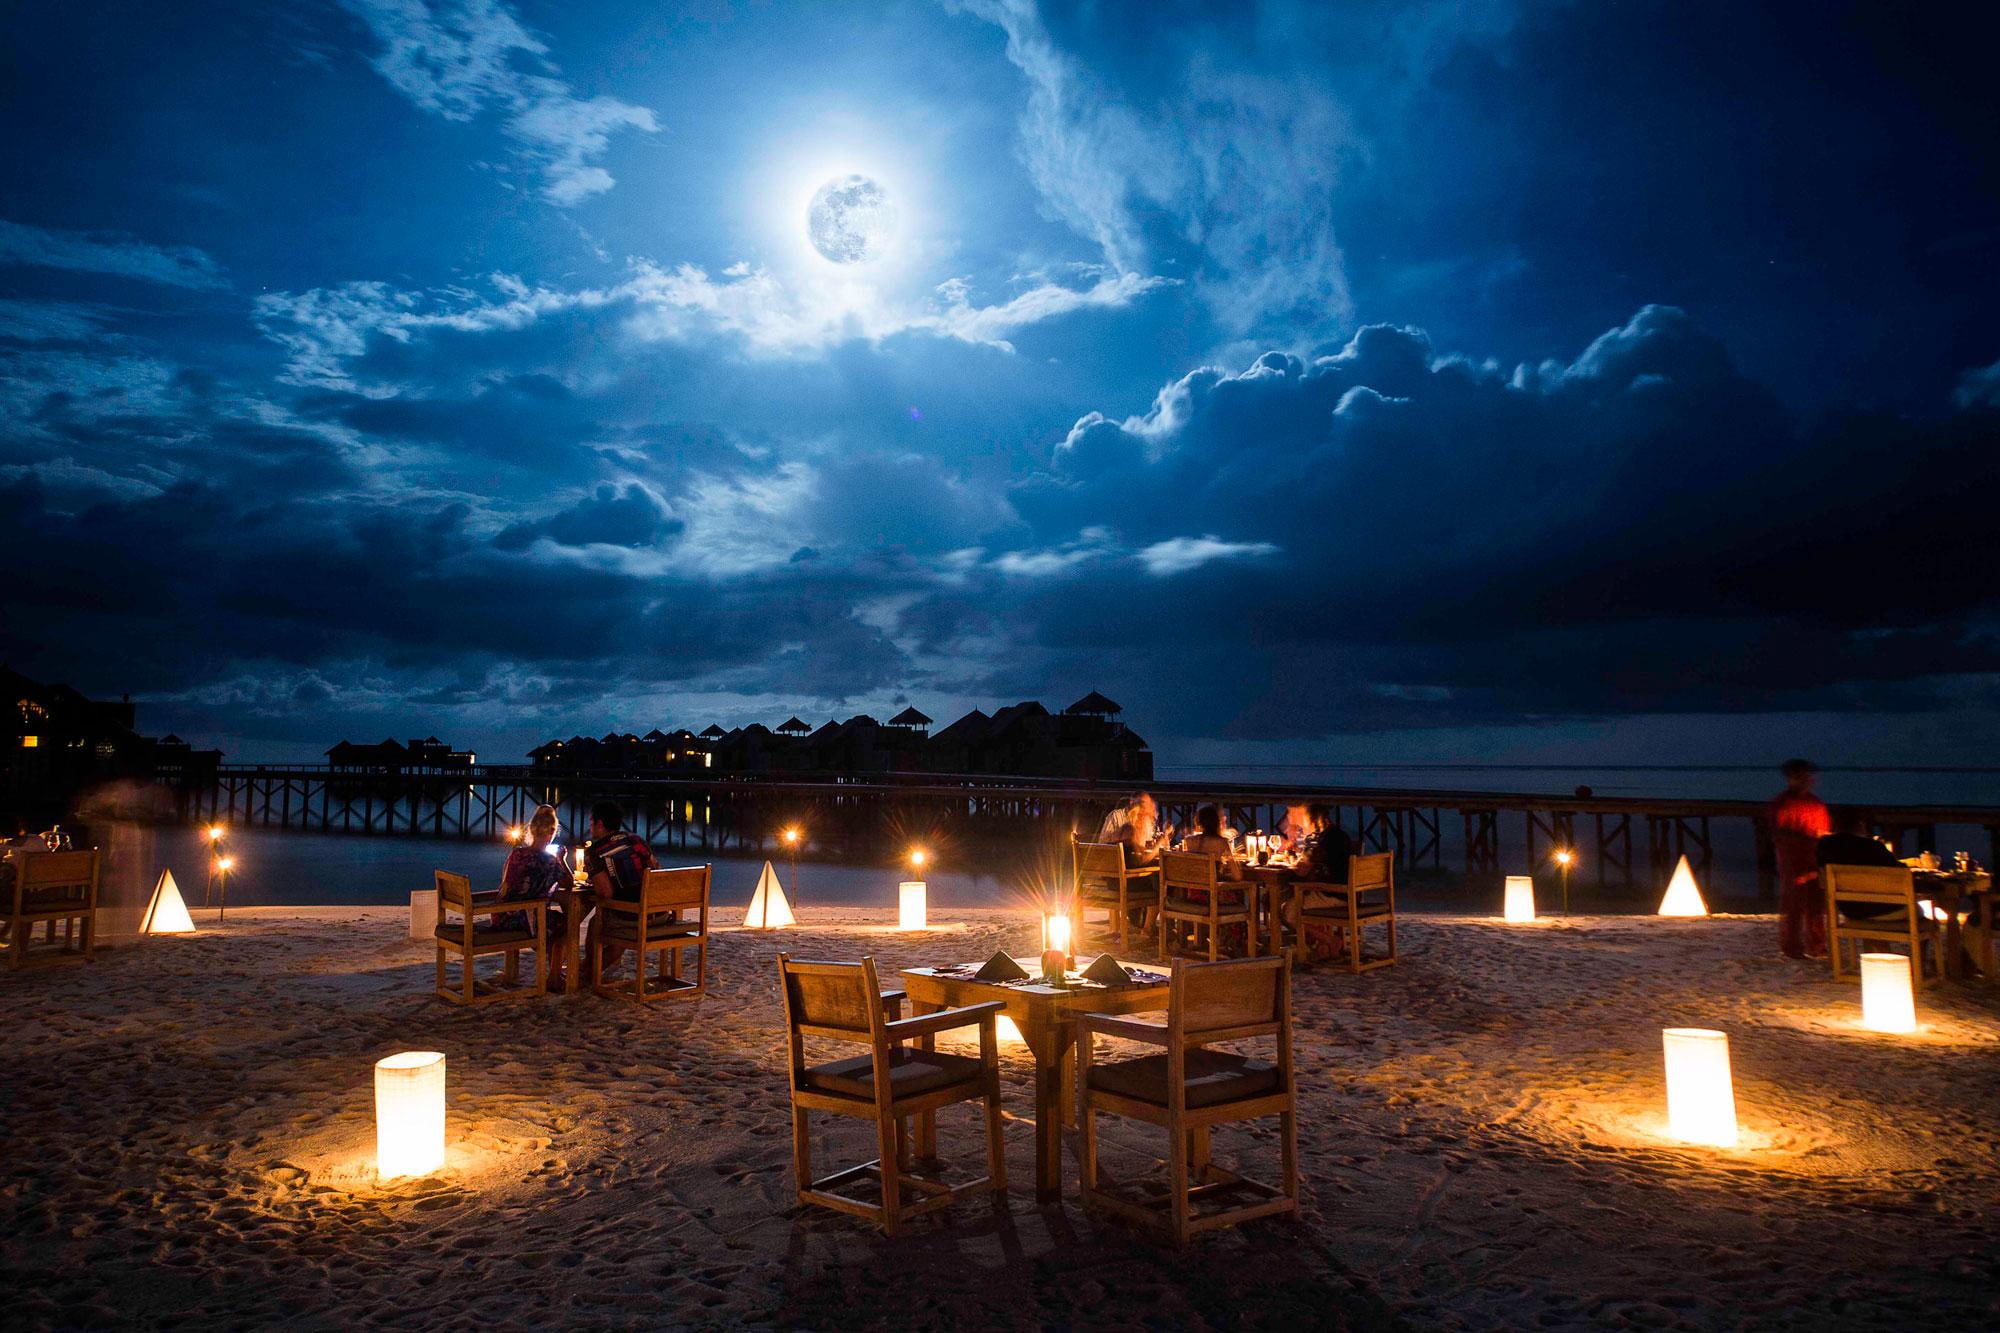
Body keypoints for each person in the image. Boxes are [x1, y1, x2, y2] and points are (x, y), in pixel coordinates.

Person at [581, 800, 657, 981]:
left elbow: (605, 894)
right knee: (619, 919)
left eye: (591, 823)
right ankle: (588, 971)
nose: (590, 828)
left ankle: (587, 970)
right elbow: (655, 869)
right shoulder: (637, 841)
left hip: (633, 917)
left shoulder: (595, 853)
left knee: (597, 922)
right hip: (658, 914)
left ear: (600, 823)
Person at [497, 804, 570, 985]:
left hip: (501, 915)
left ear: (532, 830)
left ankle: (552, 969)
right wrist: (562, 860)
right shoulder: (549, 860)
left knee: (550, 920)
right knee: (566, 925)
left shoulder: (516, 853)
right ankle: (554, 976)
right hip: (523, 919)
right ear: (551, 832)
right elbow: (569, 884)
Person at [1769, 758, 1832, 958]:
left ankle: (1817, 945)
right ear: (1791, 778)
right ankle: (1792, 947)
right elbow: (1781, 835)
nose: (1807, 780)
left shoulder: (1816, 804)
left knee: (1816, 905)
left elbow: (1824, 832)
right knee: (1793, 905)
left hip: (1815, 860)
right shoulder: (1782, 804)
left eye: (1808, 776)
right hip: (1793, 861)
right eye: (1801, 776)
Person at [1816, 809, 1902, 921]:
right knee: (1920, 911)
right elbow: (1898, 873)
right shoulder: (1873, 847)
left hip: (1850, 910)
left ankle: (1873, 937)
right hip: (1884, 908)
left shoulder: (1825, 845)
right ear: (1860, 825)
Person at [1181, 805, 1243, 880]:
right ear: (1217, 822)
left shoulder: (1189, 840)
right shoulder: (1222, 841)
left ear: (1199, 822)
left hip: (1194, 889)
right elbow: (1237, 876)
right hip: (1213, 889)